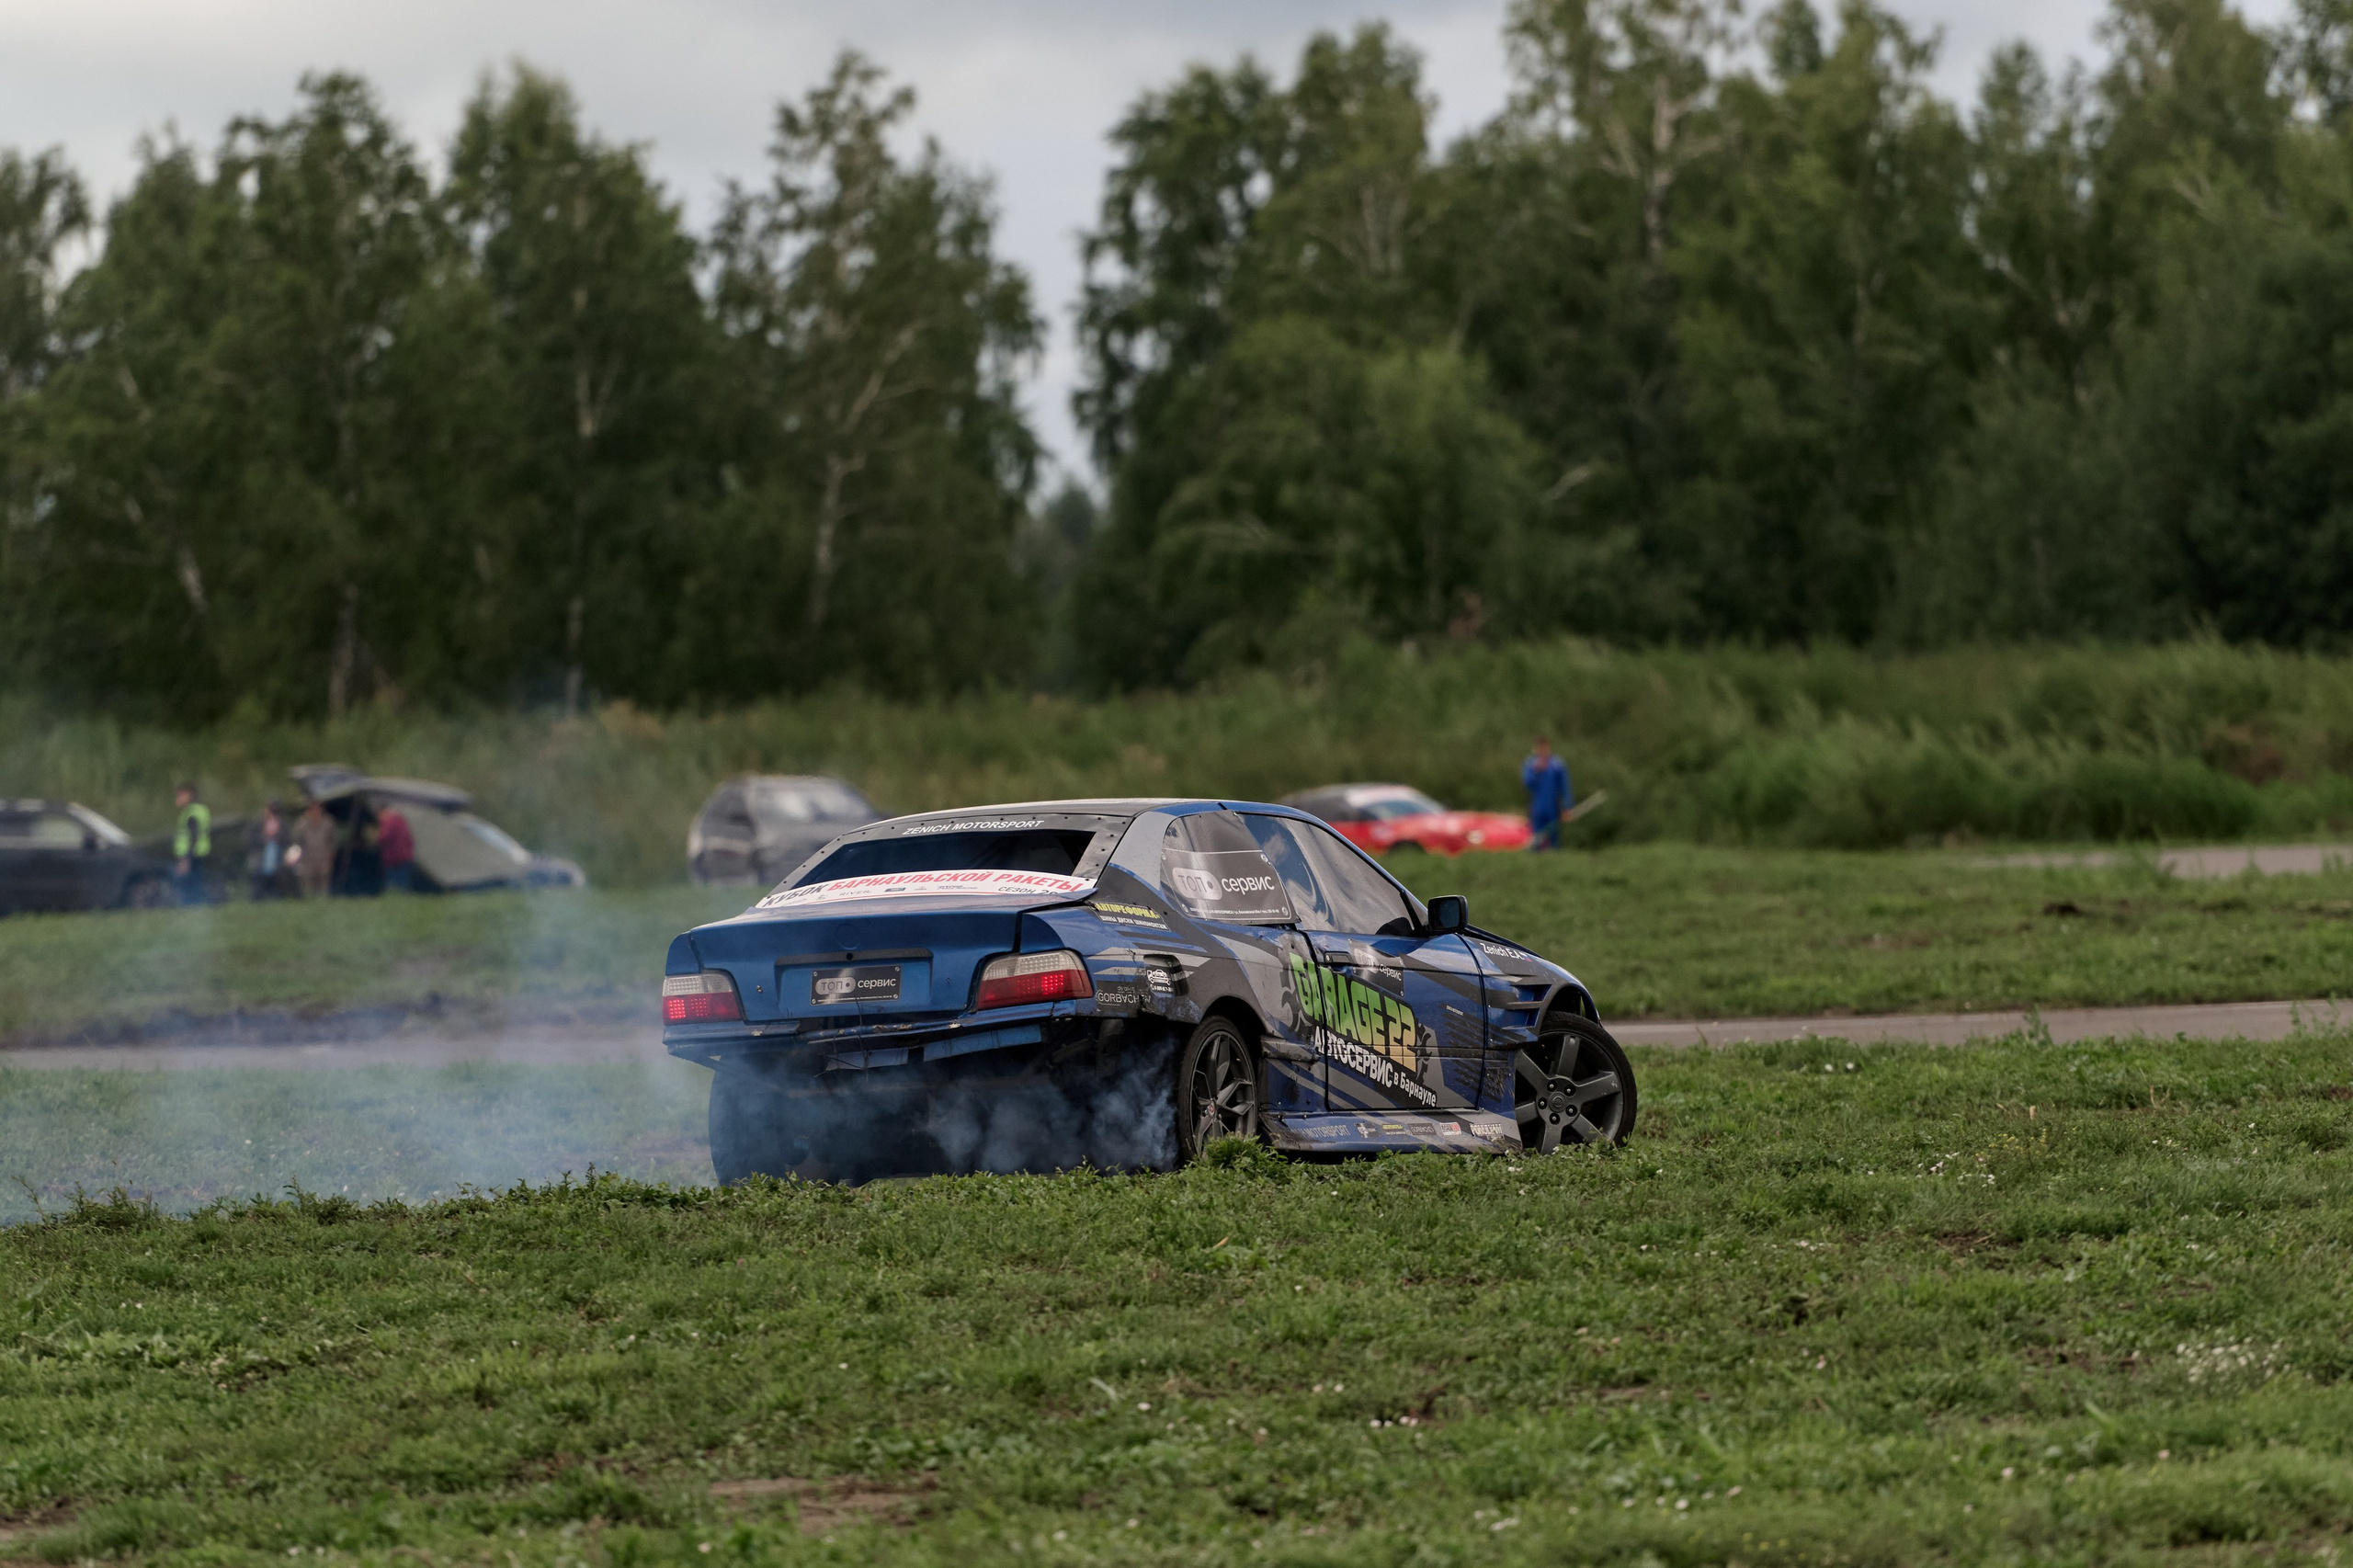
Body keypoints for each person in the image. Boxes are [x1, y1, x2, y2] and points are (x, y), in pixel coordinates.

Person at [1521, 736, 1574, 851]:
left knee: (1553, 837)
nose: (1543, 750)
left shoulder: (1557, 764)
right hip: (1537, 807)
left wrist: (1567, 807)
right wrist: (1536, 771)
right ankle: (1535, 862)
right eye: (1540, 748)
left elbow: (1565, 787)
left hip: (1553, 806)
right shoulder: (1531, 764)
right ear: (1536, 748)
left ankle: (1554, 859)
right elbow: (1527, 783)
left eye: (1545, 747)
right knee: (1536, 839)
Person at [171, 782, 211, 904]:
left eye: (179, 795)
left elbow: (193, 836)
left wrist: (186, 859)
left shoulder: (192, 813)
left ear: (188, 795)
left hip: (191, 854)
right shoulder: (200, 809)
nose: (177, 799)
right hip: (198, 852)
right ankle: (197, 908)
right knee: (196, 883)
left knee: (189, 885)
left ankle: (193, 908)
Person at [292, 801, 336, 899]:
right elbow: (296, 840)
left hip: (323, 858)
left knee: (323, 885)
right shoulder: (302, 823)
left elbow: (333, 841)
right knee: (307, 884)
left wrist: (331, 855)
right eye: (312, 808)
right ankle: (309, 903)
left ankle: (322, 903)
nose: (315, 811)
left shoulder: (328, 823)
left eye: (317, 808)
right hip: (307, 859)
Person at [250, 799, 287, 900]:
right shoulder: (258, 822)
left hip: (277, 854)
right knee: (259, 877)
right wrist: (261, 839)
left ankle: (277, 897)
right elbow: (249, 837)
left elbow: (287, 839)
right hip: (261, 855)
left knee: (277, 877)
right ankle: (258, 899)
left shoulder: (282, 823)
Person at [379, 802, 415, 892]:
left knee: (393, 884)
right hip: (406, 857)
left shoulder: (388, 821)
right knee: (404, 884)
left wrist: (376, 836)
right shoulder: (401, 820)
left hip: (394, 859)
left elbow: (384, 838)